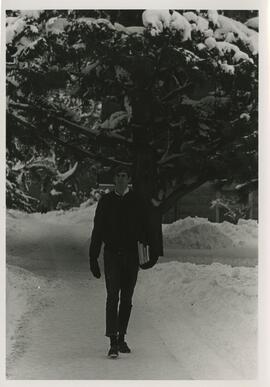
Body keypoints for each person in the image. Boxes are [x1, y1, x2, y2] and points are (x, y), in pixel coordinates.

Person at [89, 165, 158, 358]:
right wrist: (93, 257)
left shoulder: (138, 201)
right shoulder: (106, 201)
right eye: (118, 176)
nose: (121, 179)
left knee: (126, 299)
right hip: (112, 255)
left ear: (129, 179)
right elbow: (98, 229)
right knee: (112, 297)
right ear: (114, 179)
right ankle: (112, 341)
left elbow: (149, 227)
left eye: (124, 176)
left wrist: (152, 253)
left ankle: (121, 337)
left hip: (132, 256)